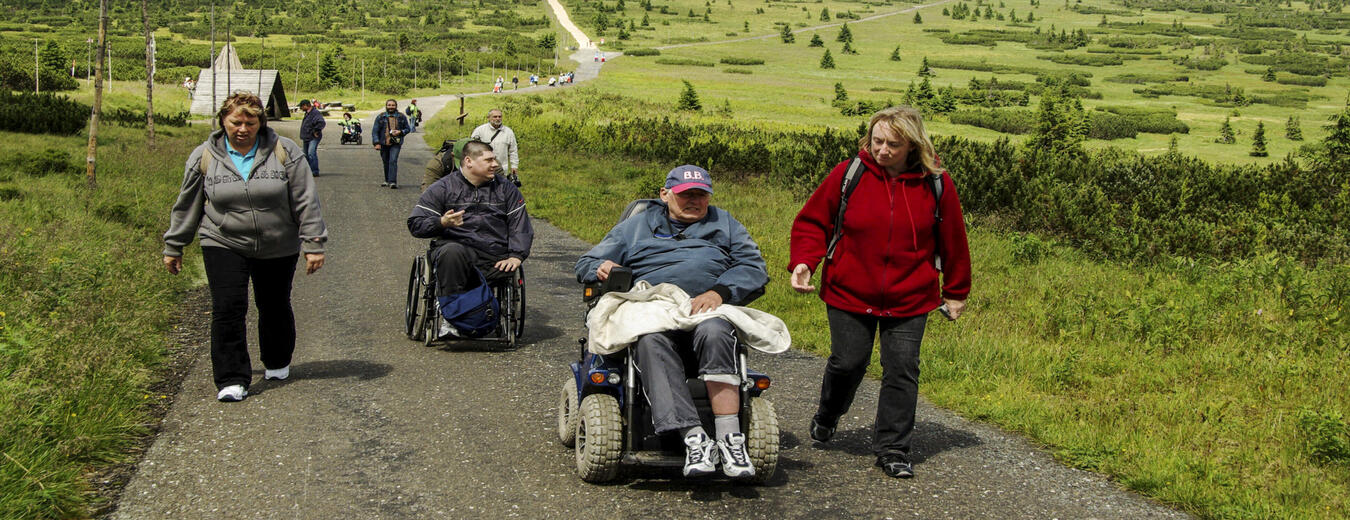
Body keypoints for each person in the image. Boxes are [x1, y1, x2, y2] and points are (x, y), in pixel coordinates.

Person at [788, 106, 971, 479]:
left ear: (912, 145)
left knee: (902, 370)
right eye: (877, 141)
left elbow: (953, 239)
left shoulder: (936, 183)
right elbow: (813, 221)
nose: (883, 150)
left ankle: (893, 449)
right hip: (849, 291)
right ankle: (828, 414)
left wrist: (955, 291)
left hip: (911, 296)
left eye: (893, 144)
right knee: (848, 363)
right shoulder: (849, 174)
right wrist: (805, 261)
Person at [575, 165, 768, 479]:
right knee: (650, 339)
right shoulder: (634, 227)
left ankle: (731, 439)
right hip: (653, 307)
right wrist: (602, 266)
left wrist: (720, 291)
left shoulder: (725, 223)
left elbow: (753, 266)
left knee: (717, 330)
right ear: (665, 195)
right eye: (685, 195)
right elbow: (586, 262)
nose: (694, 201)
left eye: (700, 195)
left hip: (705, 308)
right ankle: (694, 438)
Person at [162, 91, 328, 403]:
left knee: (274, 304)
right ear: (223, 121)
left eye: (250, 122)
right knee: (227, 307)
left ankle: (277, 359)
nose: (242, 128)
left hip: (278, 242)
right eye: (235, 121)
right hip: (223, 240)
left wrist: (314, 243)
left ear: (260, 122)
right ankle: (232, 378)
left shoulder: (284, 151)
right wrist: (175, 245)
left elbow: (306, 199)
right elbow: (188, 205)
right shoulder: (204, 156)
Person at [408, 140, 534, 338]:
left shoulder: (506, 190)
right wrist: (441, 222)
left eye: (495, 159)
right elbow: (416, 223)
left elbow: (520, 225)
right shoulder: (443, 188)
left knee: (501, 265)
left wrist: (516, 255)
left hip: (494, 257)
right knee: (452, 252)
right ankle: (453, 319)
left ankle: (479, 314)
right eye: (489, 160)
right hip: (454, 255)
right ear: (468, 161)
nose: (495, 164)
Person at [469, 109, 520, 186]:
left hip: (502, 170)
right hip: (483, 169)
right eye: (495, 117)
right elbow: (471, 149)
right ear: (488, 118)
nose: (497, 118)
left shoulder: (508, 132)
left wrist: (514, 166)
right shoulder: (480, 130)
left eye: (499, 116)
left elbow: (513, 151)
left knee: (500, 192)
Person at [372, 98, 411, 189]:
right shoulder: (380, 117)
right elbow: (375, 131)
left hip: (396, 143)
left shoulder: (401, 117)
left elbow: (408, 129)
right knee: (386, 161)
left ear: (396, 106)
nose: (391, 107)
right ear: (386, 106)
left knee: (393, 160)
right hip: (383, 142)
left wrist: (400, 132)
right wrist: (376, 143)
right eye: (389, 105)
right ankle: (387, 180)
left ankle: (393, 182)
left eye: (393, 105)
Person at [298, 99, 325, 177]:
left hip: (313, 137)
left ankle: (314, 171)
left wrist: (316, 131)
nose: (301, 109)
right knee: (305, 155)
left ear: (306, 106)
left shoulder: (315, 113)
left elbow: (321, 122)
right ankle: (308, 171)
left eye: (301, 107)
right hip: (306, 137)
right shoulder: (307, 113)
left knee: (311, 153)